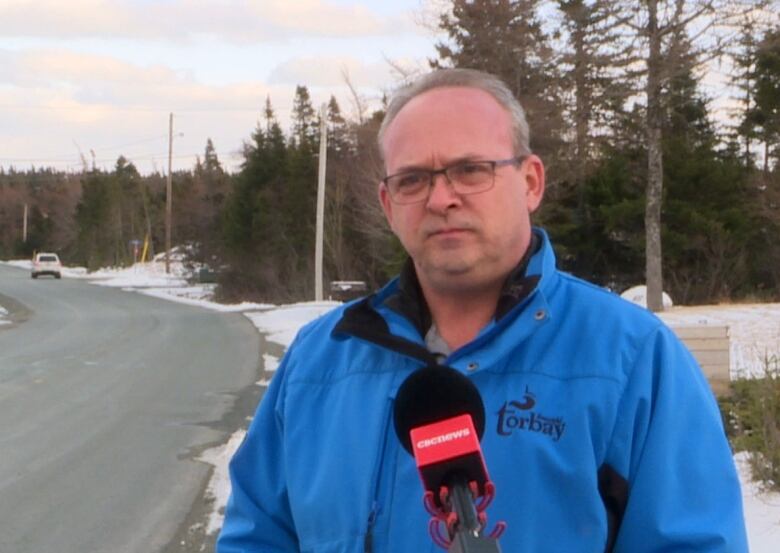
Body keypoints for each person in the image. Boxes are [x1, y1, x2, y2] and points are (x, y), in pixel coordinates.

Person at [217, 68, 748, 553]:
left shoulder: (632, 360)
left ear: (531, 182)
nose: (440, 198)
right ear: (387, 204)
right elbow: (257, 536)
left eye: (470, 170)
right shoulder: (319, 361)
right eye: (413, 180)